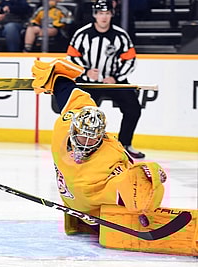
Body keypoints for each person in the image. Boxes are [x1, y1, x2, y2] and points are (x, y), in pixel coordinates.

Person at [31, 57, 166, 236]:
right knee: (136, 188)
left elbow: (71, 95)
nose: (86, 144)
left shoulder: (65, 124)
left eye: (92, 139)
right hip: (93, 215)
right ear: (74, 131)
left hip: (81, 199)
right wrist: (149, 176)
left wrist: (56, 77)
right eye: (82, 138)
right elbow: (128, 189)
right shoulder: (90, 176)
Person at [66, 0, 145, 159]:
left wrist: (116, 77)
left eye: (107, 13)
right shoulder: (82, 34)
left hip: (114, 82)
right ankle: (77, 145)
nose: (104, 17)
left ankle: (125, 145)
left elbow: (130, 59)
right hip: (89, 83)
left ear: (112, 15)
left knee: (133, 109)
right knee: (82, 113)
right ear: (95, 15)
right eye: (101, 13)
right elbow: (71, 57)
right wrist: (85, 72)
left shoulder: (120, 35)